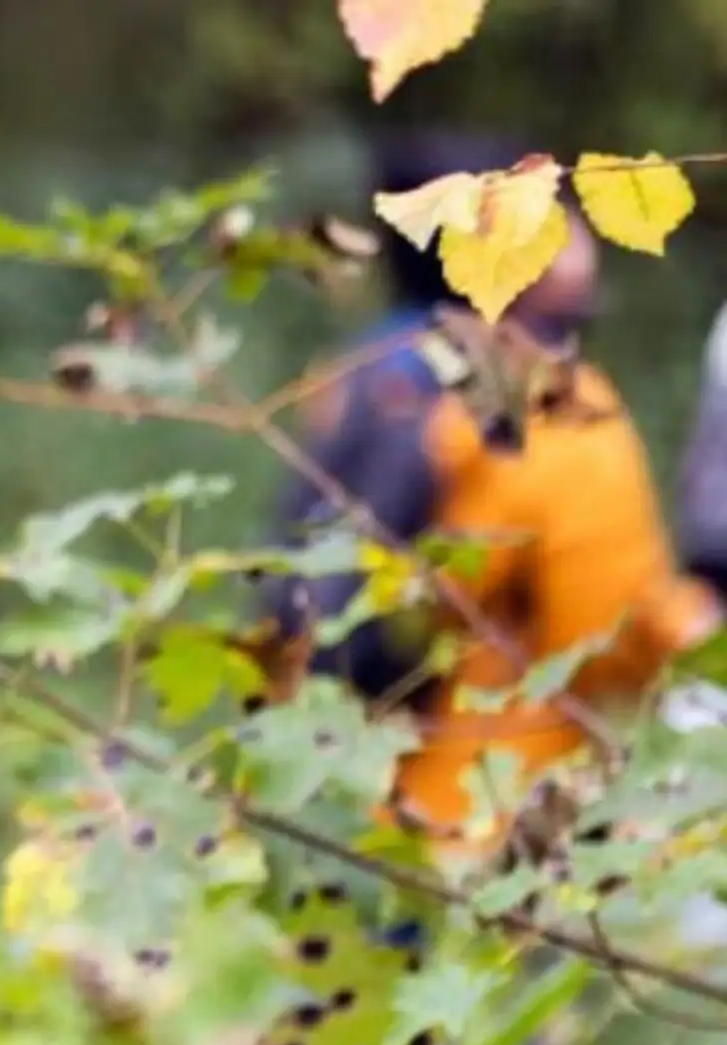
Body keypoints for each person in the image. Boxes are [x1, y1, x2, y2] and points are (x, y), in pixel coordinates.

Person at [263, 128, 717, 846]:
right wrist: (693, 628)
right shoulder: (556, 410)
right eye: (554, 211)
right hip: (487, 819)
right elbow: (605, 639)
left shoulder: (359, 378)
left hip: (342, 806)